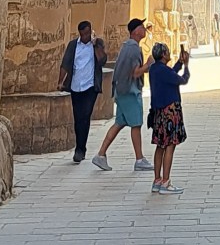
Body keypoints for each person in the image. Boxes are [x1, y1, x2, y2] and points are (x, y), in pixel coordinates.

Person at [91, 17, 154, 172]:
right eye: (142, 26)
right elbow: (135, 73)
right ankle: (139, 159)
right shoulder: (133, 48)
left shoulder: (127, 46)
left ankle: (100, 155)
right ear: (136, 31)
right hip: (129, 92)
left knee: (119, 123)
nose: (144, 29)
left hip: (121, 90)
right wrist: (148, 64)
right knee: (136, 124)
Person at [57, 19, 106, 163]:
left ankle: (81, 149)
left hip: (90, 87)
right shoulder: (73, 45)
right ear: (79, 34)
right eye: (83, 34)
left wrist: (95, 44)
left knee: (85, 116)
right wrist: (60, 81)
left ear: (90, 31)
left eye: (87, 33)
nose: (85, 37)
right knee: (78, 119)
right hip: (75, 86)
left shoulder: (97, 43)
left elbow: (102, 60)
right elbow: (65, 63)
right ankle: (79, 147)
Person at [145, 41, 191, 193]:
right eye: (168, 52)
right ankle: (166, 181)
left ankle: (157, 180)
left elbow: (170, 73)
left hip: (158, 112)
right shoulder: (164, 71)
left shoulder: (154, 69)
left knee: (160, 146)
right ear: (164, 55)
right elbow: (182, 79)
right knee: (170, 145)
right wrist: (186, 66)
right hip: (170, 111)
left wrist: (179, 62)